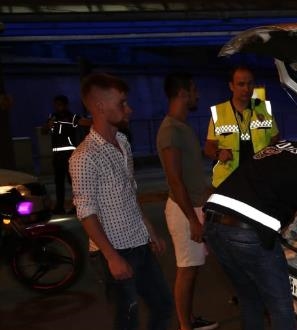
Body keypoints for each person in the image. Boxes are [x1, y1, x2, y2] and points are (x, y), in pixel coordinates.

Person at [203, 140, 297, 329]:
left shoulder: (283, 149)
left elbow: (275, 190)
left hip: (213, 224)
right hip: (246, 233)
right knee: (280, 308)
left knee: (250, 300)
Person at [69, 73, 173, 330]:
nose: (129, 109)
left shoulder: (123, 143)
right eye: (122, 103)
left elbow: (129, 195)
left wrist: (149, 231)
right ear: (100, 107)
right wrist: (112, 257)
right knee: (127, 319)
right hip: (112, 250)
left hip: (139, 244)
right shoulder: (84, 157)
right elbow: (86, 213)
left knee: (162, 305)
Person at [156, 73, 217, 330]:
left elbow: (190, 174)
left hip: (193, 206)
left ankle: (189, 320)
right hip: (184, 211)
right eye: (193, 90)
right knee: (186, 270)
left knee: (192, 269)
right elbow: (175, 181)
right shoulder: (170, 130)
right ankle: (184, 325)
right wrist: (193, 220)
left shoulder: (181, 126)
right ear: (182, 93)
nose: (197, 95)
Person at [203, 65, 280, 187]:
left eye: (250, 84)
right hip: (228, 180)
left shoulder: (264, 109)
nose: (246, 89)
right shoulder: (219, 112)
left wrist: (268, 155)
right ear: (231, 86)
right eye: (241, 84)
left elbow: (275, 138)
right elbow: (209, 146)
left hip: (260, 178)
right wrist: (218, 153)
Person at [41, 95, 90, 214]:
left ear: (65, 105)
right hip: (57, 156)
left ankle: (77, 206)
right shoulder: (52, 117)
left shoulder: (71, 117)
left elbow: (85, 122)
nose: (57, 107)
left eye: (59, 104)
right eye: (56, 105)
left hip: (69, 155)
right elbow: (44, 131)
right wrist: (48, 126)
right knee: (59, 182)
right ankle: (59, 206)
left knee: (73, 182)